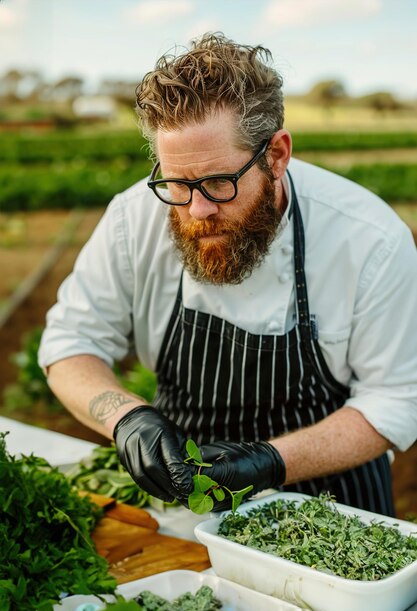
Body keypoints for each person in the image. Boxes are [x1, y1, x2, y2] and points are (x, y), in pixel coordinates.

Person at [39, 33, 417, 516]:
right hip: (186, 498)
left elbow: (396, 400)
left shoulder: (369, 239)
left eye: (219, 182)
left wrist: (270, 460)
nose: (197, 211)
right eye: (177, 183)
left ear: (276, 155)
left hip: (335, 504)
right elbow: (70, 343)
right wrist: (126, 417)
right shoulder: (132, 219)